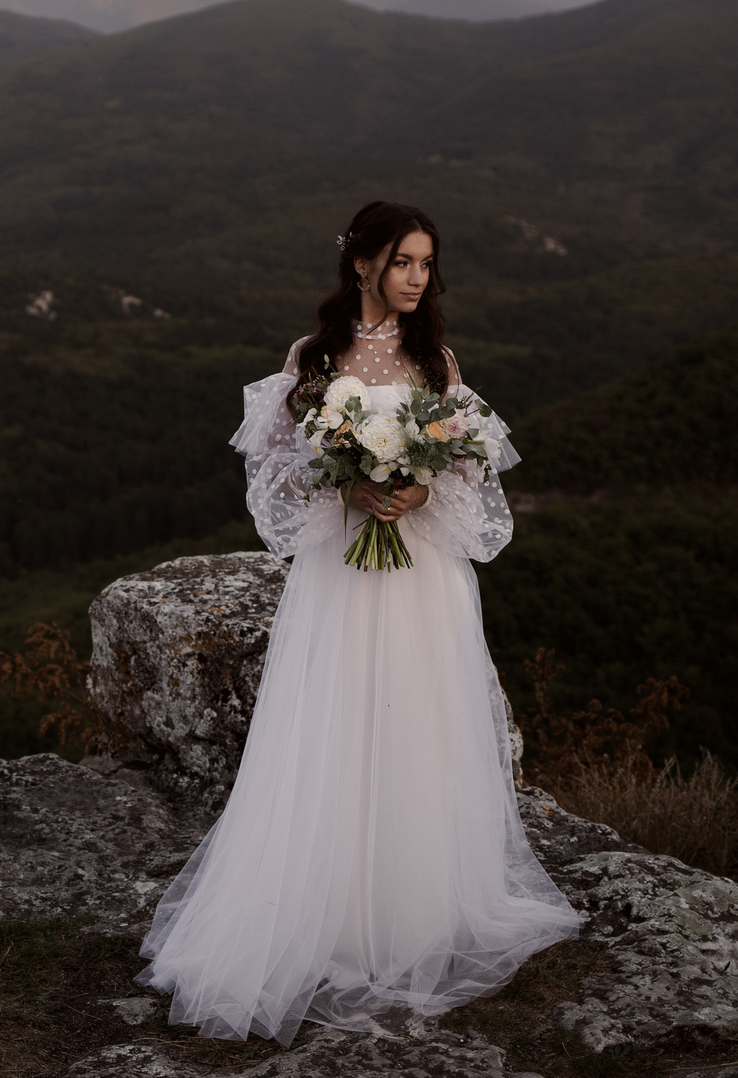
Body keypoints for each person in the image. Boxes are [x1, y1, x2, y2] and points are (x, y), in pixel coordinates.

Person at [136, 200, 582, 1043]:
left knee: (416, 726)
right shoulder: (315, 359)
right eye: (404, 262)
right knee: (338, 726)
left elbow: (466, 464)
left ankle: (412, 917)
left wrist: (418, 487)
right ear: (362, 264)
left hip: (421, 577)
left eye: (426, 264)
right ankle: (334, 920)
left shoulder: (433, 358)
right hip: (342, 573)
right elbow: (275, 471)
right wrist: (345, 483)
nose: (418, 279)